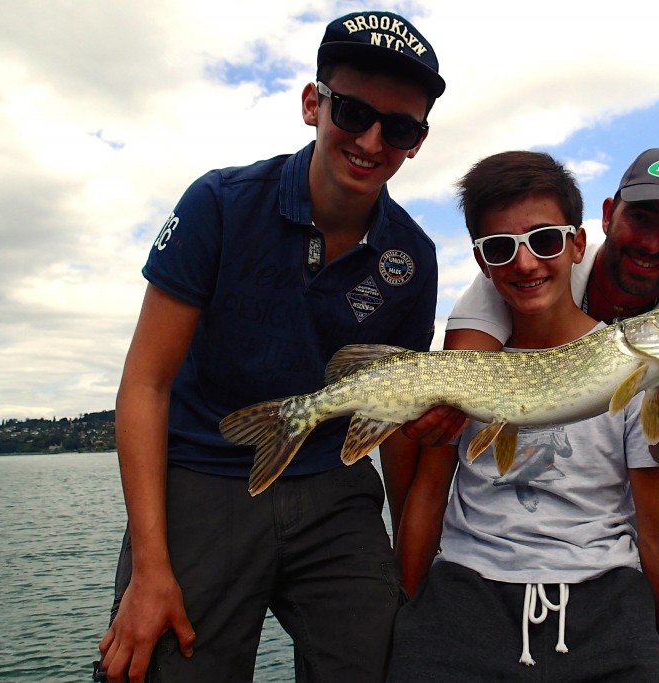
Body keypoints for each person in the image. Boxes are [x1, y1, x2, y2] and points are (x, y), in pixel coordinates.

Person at [96, 11, 447, 683]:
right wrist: (150, 569)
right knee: (157, 661)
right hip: (203, 470)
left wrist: (406, 565)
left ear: (418, 141)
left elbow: (399, 426)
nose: (372, 141)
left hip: (332, 480)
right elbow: (144, 384)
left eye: (398, 127)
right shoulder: (220, 204)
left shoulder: (413, 257)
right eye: (352, 111)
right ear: (314, 104)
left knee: (389, 659)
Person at [389, 151, 659, 681]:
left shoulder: (638, 363)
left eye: (546, 241)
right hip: (464, 602)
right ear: (483, 262)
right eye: (502, 248)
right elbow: (428, 491)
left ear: (577, 244)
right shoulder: (471, 360)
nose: (526, 263)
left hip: (607, 613)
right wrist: (409, 612)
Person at [444, 147, 659, 475]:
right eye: (641, 218)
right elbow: (460, 389)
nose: (652, 244)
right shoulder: (530, 269)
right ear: (608, 215)